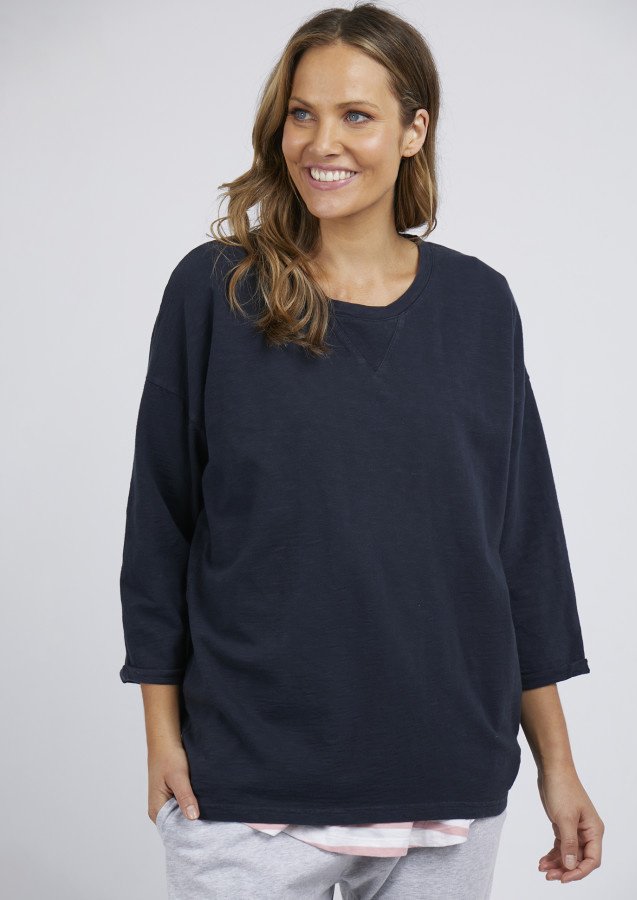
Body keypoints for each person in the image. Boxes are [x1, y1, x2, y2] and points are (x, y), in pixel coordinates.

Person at [118, 4, 604, 898]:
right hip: (247, 778)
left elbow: (520, 544)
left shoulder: (479, 306)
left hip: (446, 771)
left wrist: (558, 767)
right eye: (301, 113)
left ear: (415, 131)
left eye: (356, 115)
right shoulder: (216, 291)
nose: (321, 142)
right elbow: (160, 524)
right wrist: (160, 736)